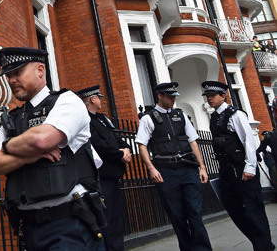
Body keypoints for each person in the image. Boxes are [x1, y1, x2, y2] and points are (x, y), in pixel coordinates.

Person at [0, 47, 104, 251]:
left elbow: (42, 139)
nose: (11, 80)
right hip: (29, 228)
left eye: (18, 73)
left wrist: (8, 145)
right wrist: (26, 158)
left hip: (68, 224)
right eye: (8, 75)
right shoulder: (13, 118)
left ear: (40, 70)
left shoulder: (67, 101)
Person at [135, 82, 211, 251]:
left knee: (195, 213)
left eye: (174, 96)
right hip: (167, 172)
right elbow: (141, 145)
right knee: (177, 215)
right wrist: (151, 168)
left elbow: (193, 141)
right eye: (169, 96)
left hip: (188, 169)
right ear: (160, 96)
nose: (173, 100)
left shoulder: (181, 115)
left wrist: (203, 167)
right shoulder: (148, 118)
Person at [202, 80, 274, 251]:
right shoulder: (215, 117)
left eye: (213, 96)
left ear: (223, 96)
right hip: (226, 170)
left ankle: (263, 246)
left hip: (242, 170)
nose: (209, 99)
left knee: (253, 210)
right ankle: (260, 242)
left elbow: (248, 141)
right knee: (233, 209)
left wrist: (250, 167)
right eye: (207, 96)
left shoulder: (236, 115)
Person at [77, 85, 131, 251]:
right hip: (101, 177)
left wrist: (126, 148)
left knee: (116, 218)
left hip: (114, 174)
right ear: (92, 99)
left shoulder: (102, 118)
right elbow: (99, 146)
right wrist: (120, 154)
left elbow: (116, 137)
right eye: (99, 97)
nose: (101, 100)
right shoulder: (85, 120)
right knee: (105, 219)